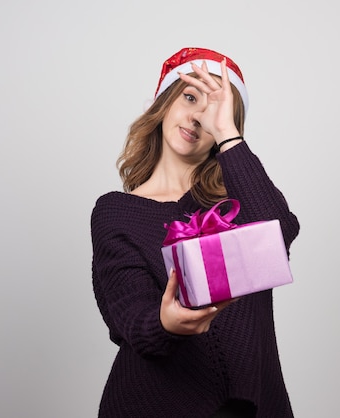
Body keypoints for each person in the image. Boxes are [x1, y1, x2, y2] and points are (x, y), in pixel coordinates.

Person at [90, 47, 300, 417]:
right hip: (156, 404)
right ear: (165, 102)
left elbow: (276, 234)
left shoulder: (238, 201)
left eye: (214, 111)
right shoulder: (115, 212)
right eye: (190, 97)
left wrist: (228, 133)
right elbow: (130, 313)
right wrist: (165, 322)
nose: (197, 117)